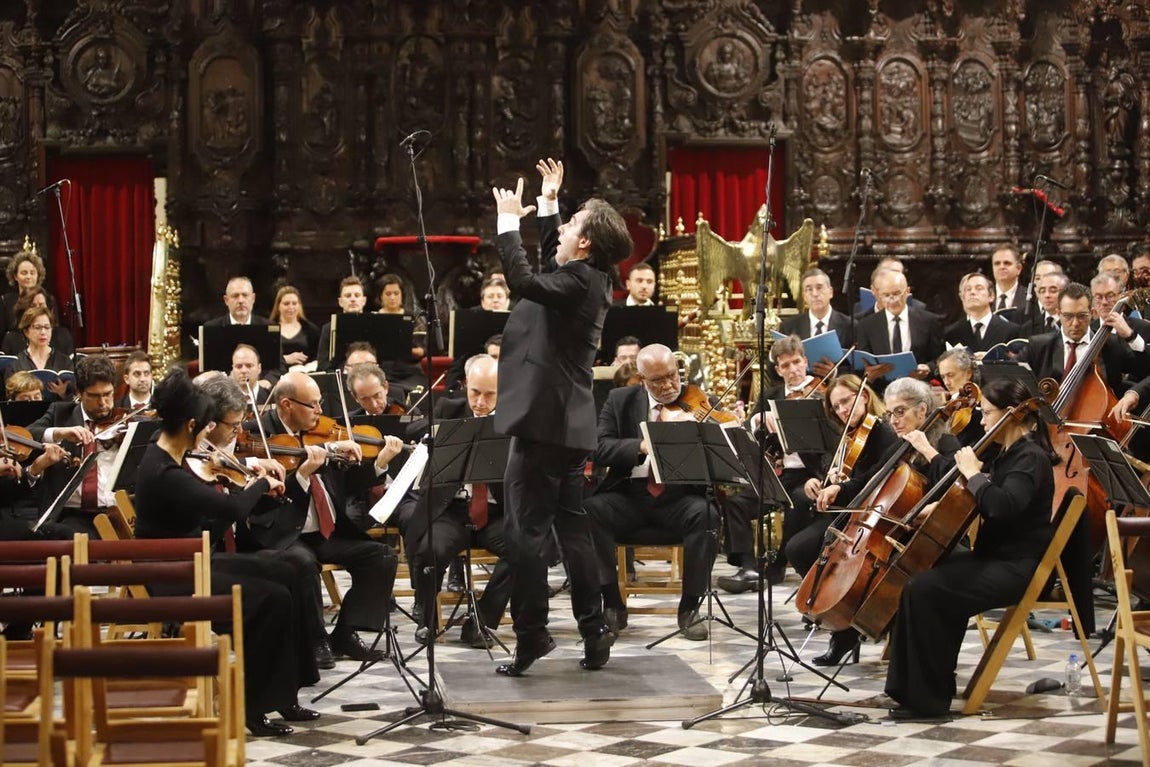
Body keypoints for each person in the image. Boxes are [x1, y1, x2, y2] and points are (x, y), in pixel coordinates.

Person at [491, 157, 631, 676]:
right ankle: (594, 631)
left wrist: (509, 222)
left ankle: (532, 634)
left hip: (543, 426)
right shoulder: (590, 278)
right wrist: (549, 204)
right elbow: (557, 262)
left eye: (572, 223)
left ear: (587, 243)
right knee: (572, 531)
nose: (565, 228)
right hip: (569, 427)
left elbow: (525, 279)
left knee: (525, 534)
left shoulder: (578, 283)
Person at [133, 369, 322, 737]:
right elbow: (232, 509)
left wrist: (248, 484)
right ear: (191, 425)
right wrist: (260, 483)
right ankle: (255, 705)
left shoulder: (172, 458)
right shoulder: (164, 471)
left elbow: (213, 515)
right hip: (174, 577)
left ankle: (285, 693)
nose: (207, 435)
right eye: (205, 427)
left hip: (193, 560)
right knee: (271, 598)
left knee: (290, 571)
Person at [885, 377, 1054, 719]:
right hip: (994, 558)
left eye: (987, 412)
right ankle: (923, 690)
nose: (982, 419)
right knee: (920, 577)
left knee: (926, 588)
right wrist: (942, 504)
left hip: (1017, 567)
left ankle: (927, 699)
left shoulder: (1030, 458)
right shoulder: (1008, 453)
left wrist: (974, 475)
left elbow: (1002, 506)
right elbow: (975, 492)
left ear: (1010, 414)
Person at [254, 371, 399, 662]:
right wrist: (303, 474)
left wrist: (378, 465)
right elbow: (263, 501)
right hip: (286, 532)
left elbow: (345, 485)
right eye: (313, 404)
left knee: (382, 557)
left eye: (320, 402)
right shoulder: (260, 436)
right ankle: (315, 640)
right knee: (304, 564)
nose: (320, 411)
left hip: (326, 530)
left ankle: (345, 633)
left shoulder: (323, 432)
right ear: (286, 405)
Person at [584, 344, 719, 640]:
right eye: (658, 380)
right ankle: (612, 603)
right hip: (629, 495)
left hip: (678, 497)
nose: (669, 385)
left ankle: (690, 608)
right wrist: (641, 446)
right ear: (642, 379)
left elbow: (720, 449)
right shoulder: (620, 400)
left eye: (673, 375)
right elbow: (599, 446)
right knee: (592, 511)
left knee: (706, 514)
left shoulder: (698, 402)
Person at [396, 355, 511, 647]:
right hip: (452, 509)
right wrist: (449, 430)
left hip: (495, 512)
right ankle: (428, 620)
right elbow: (411, 428)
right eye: (475, 392)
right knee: (430, 549)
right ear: (465, 385)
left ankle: (481, 620)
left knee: (525, 549)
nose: (480, 402)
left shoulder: (514, 417)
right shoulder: (450, 407)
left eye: (490, 394)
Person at [785, 374, 899, 665]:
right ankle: (842, 620)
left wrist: (843, 486)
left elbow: (877, 475)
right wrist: (824, 480)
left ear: (863, 396)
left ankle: (845, 628)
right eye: (836, 407)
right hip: (849, 511)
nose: (842, 410)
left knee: (813, 548)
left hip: (869, 511)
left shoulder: (883, 431)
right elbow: (843, 473)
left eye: (846, 402)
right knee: (798, 548)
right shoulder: (849, 434)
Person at [720, 336, 823, 593]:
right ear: (778, 369)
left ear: (805, 361)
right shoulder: (771, 395)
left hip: (809, 474)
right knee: (736, 504)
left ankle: (779, 563)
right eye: (785, 365)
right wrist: (758, 419)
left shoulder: (822, 394)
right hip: (777, 473)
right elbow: (749, 427)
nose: (793, 370)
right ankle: (748, 567)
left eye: (796, 362)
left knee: (799, 501)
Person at [26, 355, 122, 535]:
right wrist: (59, 433)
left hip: (118, 512)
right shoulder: (61, 413)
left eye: (108, 394)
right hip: (73, 515)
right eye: (94, 396)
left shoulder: (125, 420)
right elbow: (27, 434)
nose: (103, 403)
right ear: (79, 393)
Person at [854, 270, 943, 386]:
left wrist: (928, 368)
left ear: (907, 292)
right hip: (881, 390)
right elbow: (862, 367)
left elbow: (939, 359)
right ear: (879, 295)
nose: (892, 300)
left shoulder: (928, 321)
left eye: (896, 294)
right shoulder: (866, 325)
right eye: (886, 295)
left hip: (918, 387)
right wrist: (870, 375)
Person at [780, 267, 854, 354]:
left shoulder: (850, 326)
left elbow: (854, 361)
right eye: (809, 289)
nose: (815, 294)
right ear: (804, 296)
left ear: (831, 292)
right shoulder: (788, 327)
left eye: (819, 288)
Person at [943, 273, 1021, 353]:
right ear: (962, 298)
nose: (972, 292)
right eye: (968, 289)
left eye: (979, 288)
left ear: (991, 296)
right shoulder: (952, 333)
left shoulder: (1010, 331)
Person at [6, 306, 72, 399]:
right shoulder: (15, 364)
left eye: (47, 327)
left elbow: (74, 397)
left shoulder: (65, 361)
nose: (43, 332)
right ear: (26, 331)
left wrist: (63, 394)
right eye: (37, 328)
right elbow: (10, 396)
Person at [375, 274, 427, 390]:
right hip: (383, 368)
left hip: (409, 368)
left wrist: (419, 351)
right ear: (380, 296)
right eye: (388, 294)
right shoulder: (374, 318)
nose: (392, 297)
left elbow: (423, 347)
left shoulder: (413, 317)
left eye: (396, 293)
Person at [0, 250, 59, 339]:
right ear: (15, 276)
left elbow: (54, 330)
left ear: (38, 275)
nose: (28, 277)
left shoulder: (49, 299)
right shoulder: (5, 301)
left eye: (32, 273)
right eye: (24, 273)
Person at [317, 276, 368, 371]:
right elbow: (322, 365)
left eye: (357, 295)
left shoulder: (374, 326)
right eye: (348, 296)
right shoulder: (328, 328)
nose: (353, 299)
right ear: (340, 302)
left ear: (364, 301)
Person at [271, 285, 321, 369]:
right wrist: (285, 359)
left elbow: (318, 356)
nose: (291, 307)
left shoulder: (311, 329)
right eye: (286, 304)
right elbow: (265, 358)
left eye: (294, 303)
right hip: (277, 373)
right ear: (278, 306)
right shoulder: (270, 328)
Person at [203, 276, 268, 326]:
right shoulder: (211, 328)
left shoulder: (267, 326)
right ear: (226, 300)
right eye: (235, 296)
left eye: (245, 295)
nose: (240, 301)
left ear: (253, 298)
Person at [991, 246, 1026, 314]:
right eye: (997, 263)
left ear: (1019, 268)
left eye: (1007, 263)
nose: (1001, 267)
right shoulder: (983, 296)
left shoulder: (1030, 298)